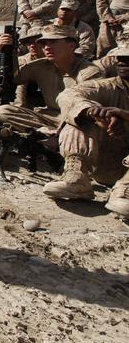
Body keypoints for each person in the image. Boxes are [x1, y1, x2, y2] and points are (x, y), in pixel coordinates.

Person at [46, 45, 129, 215]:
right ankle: (77, 179)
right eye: (120, 58)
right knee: (78, 119)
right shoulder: (107, 86)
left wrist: (125, 115)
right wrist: (92, 111)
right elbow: (68, 95)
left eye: (128, 59)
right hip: (106, 160)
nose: (121, 63)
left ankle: (125, 189)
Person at [0, 24, 102, 135]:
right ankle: (48, 133)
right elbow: (8, 79)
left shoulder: (90, 72)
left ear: (72, 46)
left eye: (53, 42)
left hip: (76, 118)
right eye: (44, 43)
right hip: (50, 117)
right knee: (3, 111)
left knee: (90, 126)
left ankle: (49, 134)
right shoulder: (40, 66)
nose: (47, 47)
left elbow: (91, 109)